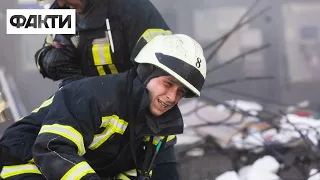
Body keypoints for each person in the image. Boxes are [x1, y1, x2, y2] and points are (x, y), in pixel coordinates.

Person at [0, 34, 207, 180]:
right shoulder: (97, 96)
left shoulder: (153, 126)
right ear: (146, 72)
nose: (172, 97)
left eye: (180, 92)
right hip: (20, 165)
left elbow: (131, 172)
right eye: (168, 84)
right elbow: (52, 148)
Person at [35, 0, 172, 87]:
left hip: (133, 108)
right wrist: (48, 59)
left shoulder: (132, 7)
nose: (60, 3)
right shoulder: (60, 11)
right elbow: (47, 49)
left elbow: (162, 64)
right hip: (86, 106)